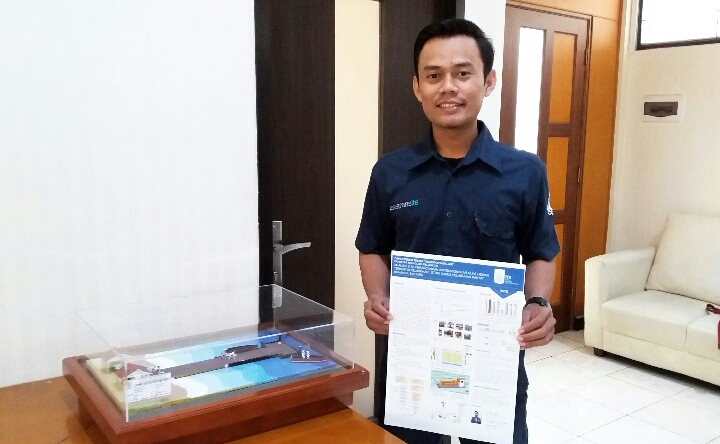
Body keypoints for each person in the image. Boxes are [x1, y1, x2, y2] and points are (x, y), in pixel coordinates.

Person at [355, 18, 559, 444]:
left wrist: (538, 303)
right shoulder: (390, 173)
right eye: (434, 76)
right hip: (412, 358)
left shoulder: (525, 172)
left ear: (488, 81)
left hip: (492, 359)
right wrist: (377, 297)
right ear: (417, 87)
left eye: (463, 73)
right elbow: (372, 246)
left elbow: (541, 249)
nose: (448, 87)